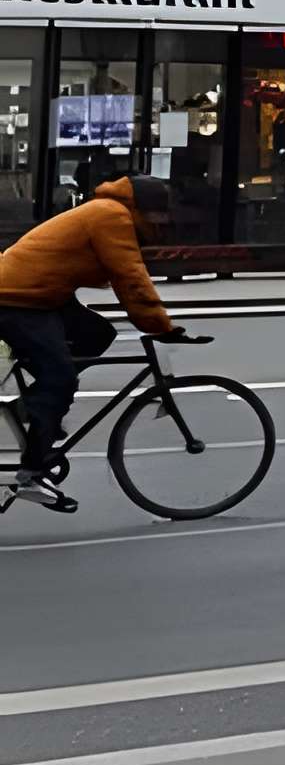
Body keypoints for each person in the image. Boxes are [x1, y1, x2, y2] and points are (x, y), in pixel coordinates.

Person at [0, 175, 183, 512]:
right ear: (143, 209)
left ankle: (33, 408)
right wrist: (160, 326)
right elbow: (130, 277)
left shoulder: (110, 213)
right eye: (158, 215)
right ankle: (31, 473)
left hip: (44, 292)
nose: (162, 223)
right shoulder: (111, 216)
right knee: (61, 379)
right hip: (18, 298)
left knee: (97, 334)